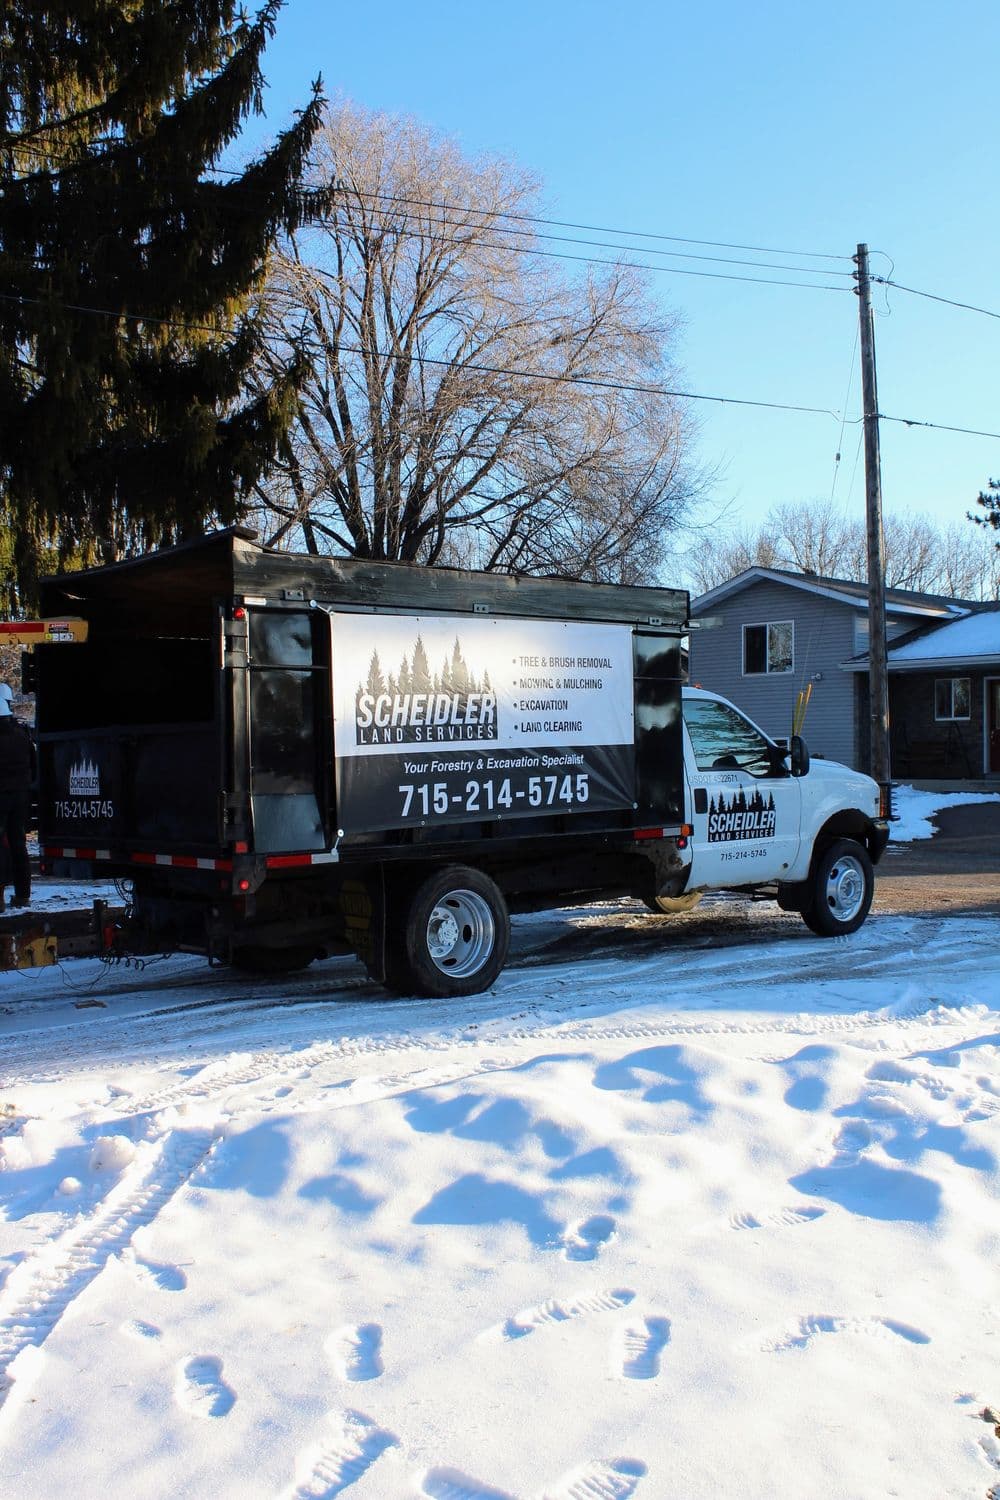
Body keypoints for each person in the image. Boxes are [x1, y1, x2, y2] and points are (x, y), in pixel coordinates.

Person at [0, 683, 35, 909]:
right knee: (18, 844)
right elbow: (34, 765)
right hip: (20, 797)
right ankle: (23, 894)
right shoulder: (22, 736)